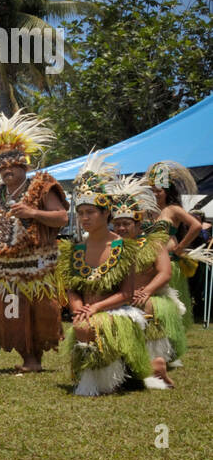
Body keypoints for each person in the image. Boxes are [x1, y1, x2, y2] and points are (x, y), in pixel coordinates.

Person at [0, 110, 69, 373]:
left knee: (41, 315)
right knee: (11, 316)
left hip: (38, 267)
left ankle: (35, 358)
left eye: (11, 166)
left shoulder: (41, 186)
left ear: (23, 165)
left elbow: (62, 218)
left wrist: (33, 213)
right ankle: (27, 357)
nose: (6, 171)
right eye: (0, 167)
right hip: (4, 270)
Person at [58, 158, 157, 395]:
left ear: (106, 213)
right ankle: (97, 379)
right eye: (81, 213)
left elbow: (126, 293)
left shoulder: (124, 248)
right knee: (83, 326)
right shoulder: (75, 249)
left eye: (90, 212)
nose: (84, 218)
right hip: (87, 311)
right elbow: (72, 288)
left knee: (90, 326)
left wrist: (96, 308)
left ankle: (113, 377)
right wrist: (79, 308)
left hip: (116, 310)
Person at [110, 176, 180, 387]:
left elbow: (165, 273)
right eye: (118, 224)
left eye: (126, 223)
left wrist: (147, 291)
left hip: (151, 295)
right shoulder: (113, 245)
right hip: (122, 296)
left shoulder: (153, 243)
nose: (121, 228)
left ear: (138, 223)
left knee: (143, 305)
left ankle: (149, 363)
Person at [145, 161, 205, 329]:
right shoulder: (147, 211)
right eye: (152, 191)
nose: (155, 194)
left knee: (170, 299)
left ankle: (172, 332)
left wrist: (180, 247)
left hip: (170, 260)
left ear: (167, 191)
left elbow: (196, 225)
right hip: (149, 262)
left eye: (159, 191)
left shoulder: (173, 209)